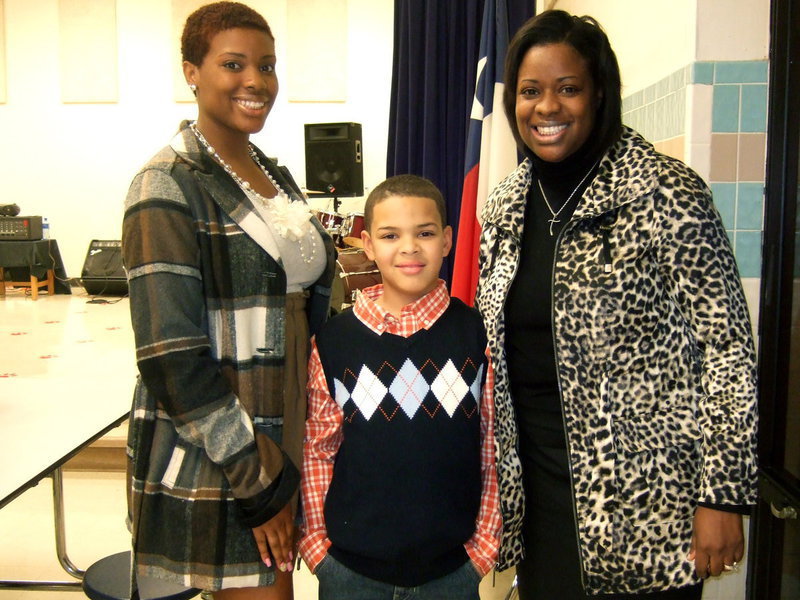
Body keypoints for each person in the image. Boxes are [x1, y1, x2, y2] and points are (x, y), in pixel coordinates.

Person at [475, 9, 758, 600]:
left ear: (599, 93)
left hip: (650, 507)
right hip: (540, 495)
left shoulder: (666, 194)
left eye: (567, 88)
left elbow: (727, 349)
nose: (546, 107)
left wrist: (722, 495)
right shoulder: (504, 207)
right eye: (530, 91)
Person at [121, 3, 335, 599]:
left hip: (289, 406)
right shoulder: (165, 183)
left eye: (266, 66)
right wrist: (256, 476)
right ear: (192, 71)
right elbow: (171, 358)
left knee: (280, 581)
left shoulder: (272, 172)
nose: (256, 81)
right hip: (227, 434)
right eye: (233, 64)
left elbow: (294, 288)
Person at [299, 175, 503, 600]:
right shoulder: (334, 342)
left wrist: (483, 549)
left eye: (424, 233)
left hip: (451, 571)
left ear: (447, 241)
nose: (409, 247)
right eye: (391, 235)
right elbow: (319, 448)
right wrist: (318, 548)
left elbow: (493, 446)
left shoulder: (478, 335)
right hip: (350, 572)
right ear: (369, 245)